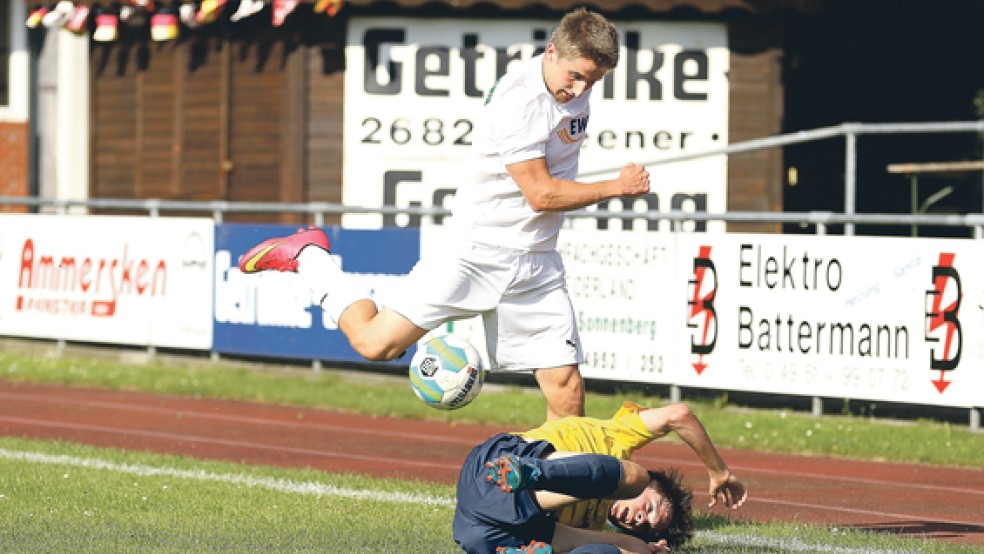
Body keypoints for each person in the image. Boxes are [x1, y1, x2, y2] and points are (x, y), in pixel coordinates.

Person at [238, 7, 650, 420]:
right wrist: (617, 186)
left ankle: (562, 466)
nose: (580, 90)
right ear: (551, 52)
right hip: (476, 252)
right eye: (576, 77)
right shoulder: (519, 102)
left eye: (593, 81)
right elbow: (540, 195)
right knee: (375, 344)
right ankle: (310, 256)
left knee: (567, 390)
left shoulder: (569, 82)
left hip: (536, 260)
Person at [453, 400, 748, 554]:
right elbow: (678, 415)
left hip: (484, 534)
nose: (639, 518)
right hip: (496, 468)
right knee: (633, 477)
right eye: (649, 507)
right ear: (655, 483)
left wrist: (646, 548)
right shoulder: (620, 438)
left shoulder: (590, 528)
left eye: (645, 526)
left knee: (620, 550)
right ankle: (534, 471)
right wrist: (719, 472)